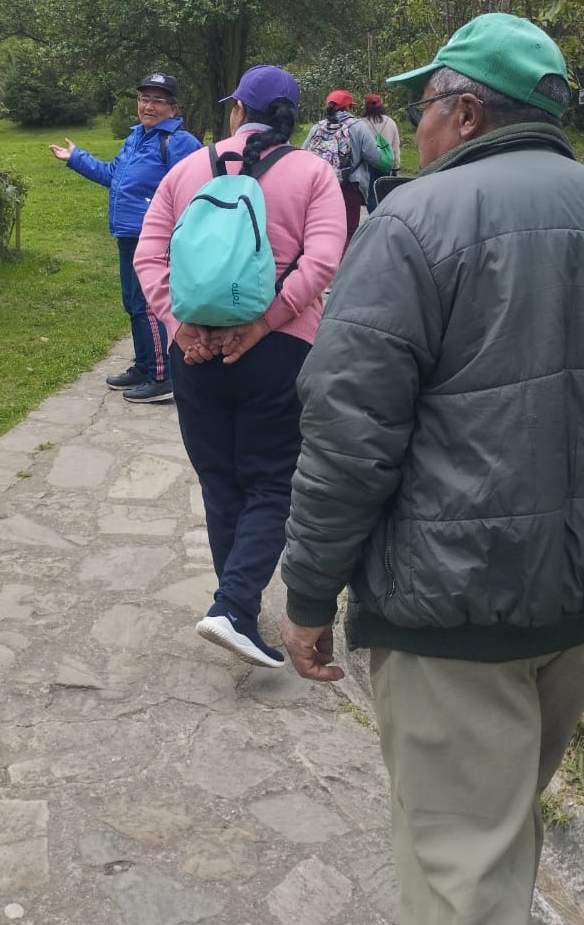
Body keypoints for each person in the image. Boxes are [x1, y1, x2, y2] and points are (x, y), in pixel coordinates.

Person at [280, 13, 584, 925]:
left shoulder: (412, 223)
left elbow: (348, 434)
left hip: (452, 612)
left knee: (461, 871)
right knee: (500, 837)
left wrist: (308, 593)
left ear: (464, 113)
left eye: (424, 104)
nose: (414, 128)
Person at [135, 64, 346, 667]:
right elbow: (325, 260)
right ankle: (234, 609)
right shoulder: (313, 173)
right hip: (278, 351)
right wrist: (264, 323)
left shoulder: (186, 169)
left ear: (236, 113)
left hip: (194, 355)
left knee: (220, 479)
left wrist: (182, 327)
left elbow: (150, 255)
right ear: (291, 117)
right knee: (273, 480)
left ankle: (236, 608)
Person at [49, 71, 201, 403]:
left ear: (173, 109)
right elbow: (113, 176)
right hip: (128, 234)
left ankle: (164, 376)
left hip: (155, 238)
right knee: (133, 305)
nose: (149, 106)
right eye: (144, 99)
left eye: (158, 101)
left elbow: (195, 188)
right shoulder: (136, 139)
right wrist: (76, 158)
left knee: (150, 306)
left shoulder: (178, 142)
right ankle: (146, 365)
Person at [302, 90, 381, 254]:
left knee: (321, 230)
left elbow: (304, 154)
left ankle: (320, 266)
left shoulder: (317, 127)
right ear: (349, 107)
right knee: (348, 231)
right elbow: (374, 157)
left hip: (320, 188)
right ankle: (340, 272)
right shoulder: (358, 127)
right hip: (349, 187)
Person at [361, 92, 401, 212]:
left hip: (369, 164)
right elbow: (395, 146)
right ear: (381, 105)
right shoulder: (390, 122)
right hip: (387, 163)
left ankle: (374, 218)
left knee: (371, 195)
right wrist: (396, 167)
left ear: (366, 106)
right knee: (384, 193)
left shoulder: (361, 123)